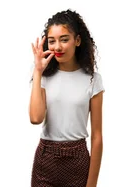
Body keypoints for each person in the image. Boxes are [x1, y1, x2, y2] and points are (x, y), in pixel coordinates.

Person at [29, 9, 103, 187]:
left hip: (78, 162)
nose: (57, 47)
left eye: (64, 39)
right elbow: (35, 118)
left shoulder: (92, 79)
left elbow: (97, 136)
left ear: (77, 40)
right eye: (52, 41)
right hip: (45, 160)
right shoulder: (44, 76)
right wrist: (38, 72)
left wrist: (91, 184)